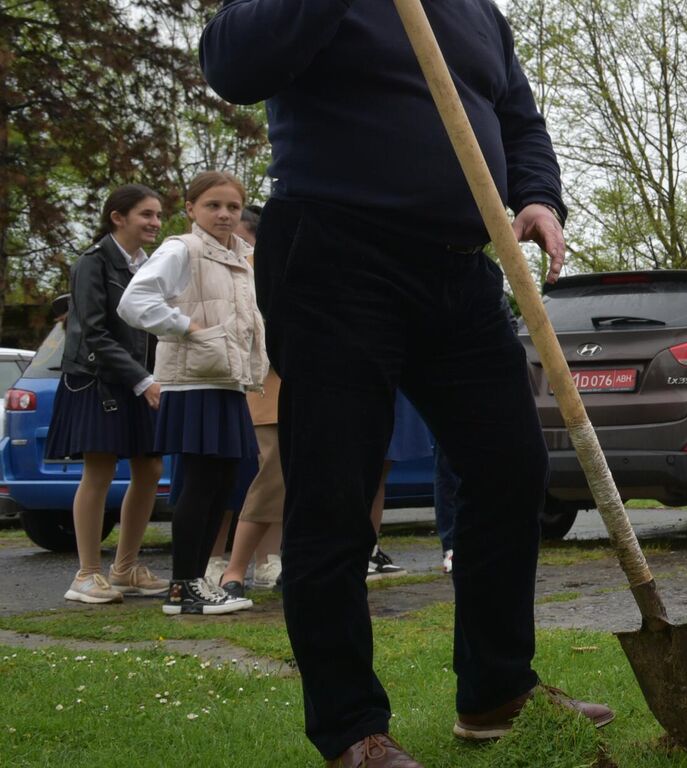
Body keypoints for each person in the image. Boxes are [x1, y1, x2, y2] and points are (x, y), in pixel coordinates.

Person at [201, 1, 609, 764]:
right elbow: (231, 63)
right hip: (334, 252)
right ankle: (351, 728)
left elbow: (518, 118)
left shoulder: (478, 12)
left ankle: (496, 691)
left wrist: (537, 196)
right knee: (333, 491)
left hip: (458, 263)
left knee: (509, 468)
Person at [117, 170, 266, 616]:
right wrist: (186, 326)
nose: (224, 214)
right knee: (199, 485)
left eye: (233, 207)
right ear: (191, 210)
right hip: (194, 380)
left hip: (228, 381)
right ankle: (182, 587)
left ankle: (198, 582)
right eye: (213, 206)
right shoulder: (180, 249)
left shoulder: (242, 255)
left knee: (223, 485)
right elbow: (134, 301)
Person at [48, 184, 171, 604]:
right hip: (95, 380)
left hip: (139, 380)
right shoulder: (92, 263)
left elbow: (153, 325)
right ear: (118, 217)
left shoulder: (150, 266)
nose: (155, 222)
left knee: (150, 470)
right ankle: (86, 575)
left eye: (157, 215)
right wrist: (143, 378)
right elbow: (94, 334)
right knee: (98, 472)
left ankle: (125, 569)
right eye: (146, 215)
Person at [216, 204, 286, 598]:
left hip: (301, 380)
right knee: (271, 477)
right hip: (267, 381)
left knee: (287, 479)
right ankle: (235, 568)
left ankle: (265, 564)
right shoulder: (248, 267)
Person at [366, 394, 432, 579]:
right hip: (360, 384)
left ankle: (370, 550)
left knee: (382, 466)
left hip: (393, 383)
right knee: (361, 467)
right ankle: (352, 551)